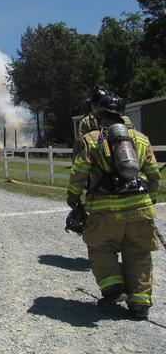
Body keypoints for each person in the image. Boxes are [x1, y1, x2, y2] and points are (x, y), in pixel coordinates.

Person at [67, 90, 161, 319]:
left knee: (101, 248)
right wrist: (151, 199)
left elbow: (79, 172)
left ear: (98, 115)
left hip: (104, 211)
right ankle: (140, 304)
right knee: (139, 254)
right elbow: (154, 176)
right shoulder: (141, 138)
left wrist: (73, 197)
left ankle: (114, 289)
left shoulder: (91, 139)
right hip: (141, 209)